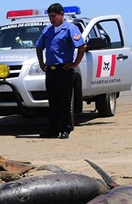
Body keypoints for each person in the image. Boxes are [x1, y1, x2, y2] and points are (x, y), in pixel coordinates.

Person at [35, 3, 86, 139]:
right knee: (53, 101)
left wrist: (75, 63)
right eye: (50, 17)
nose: (52, 19)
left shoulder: (70, 29)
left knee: (64, 101)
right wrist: (41, 63)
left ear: (61, 14)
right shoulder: (47, 30)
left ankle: (65, 129)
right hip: (51, 70)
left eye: (54, 16)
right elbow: (39, 47)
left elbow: (82, 46)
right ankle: (53, 129)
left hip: (64, 70)